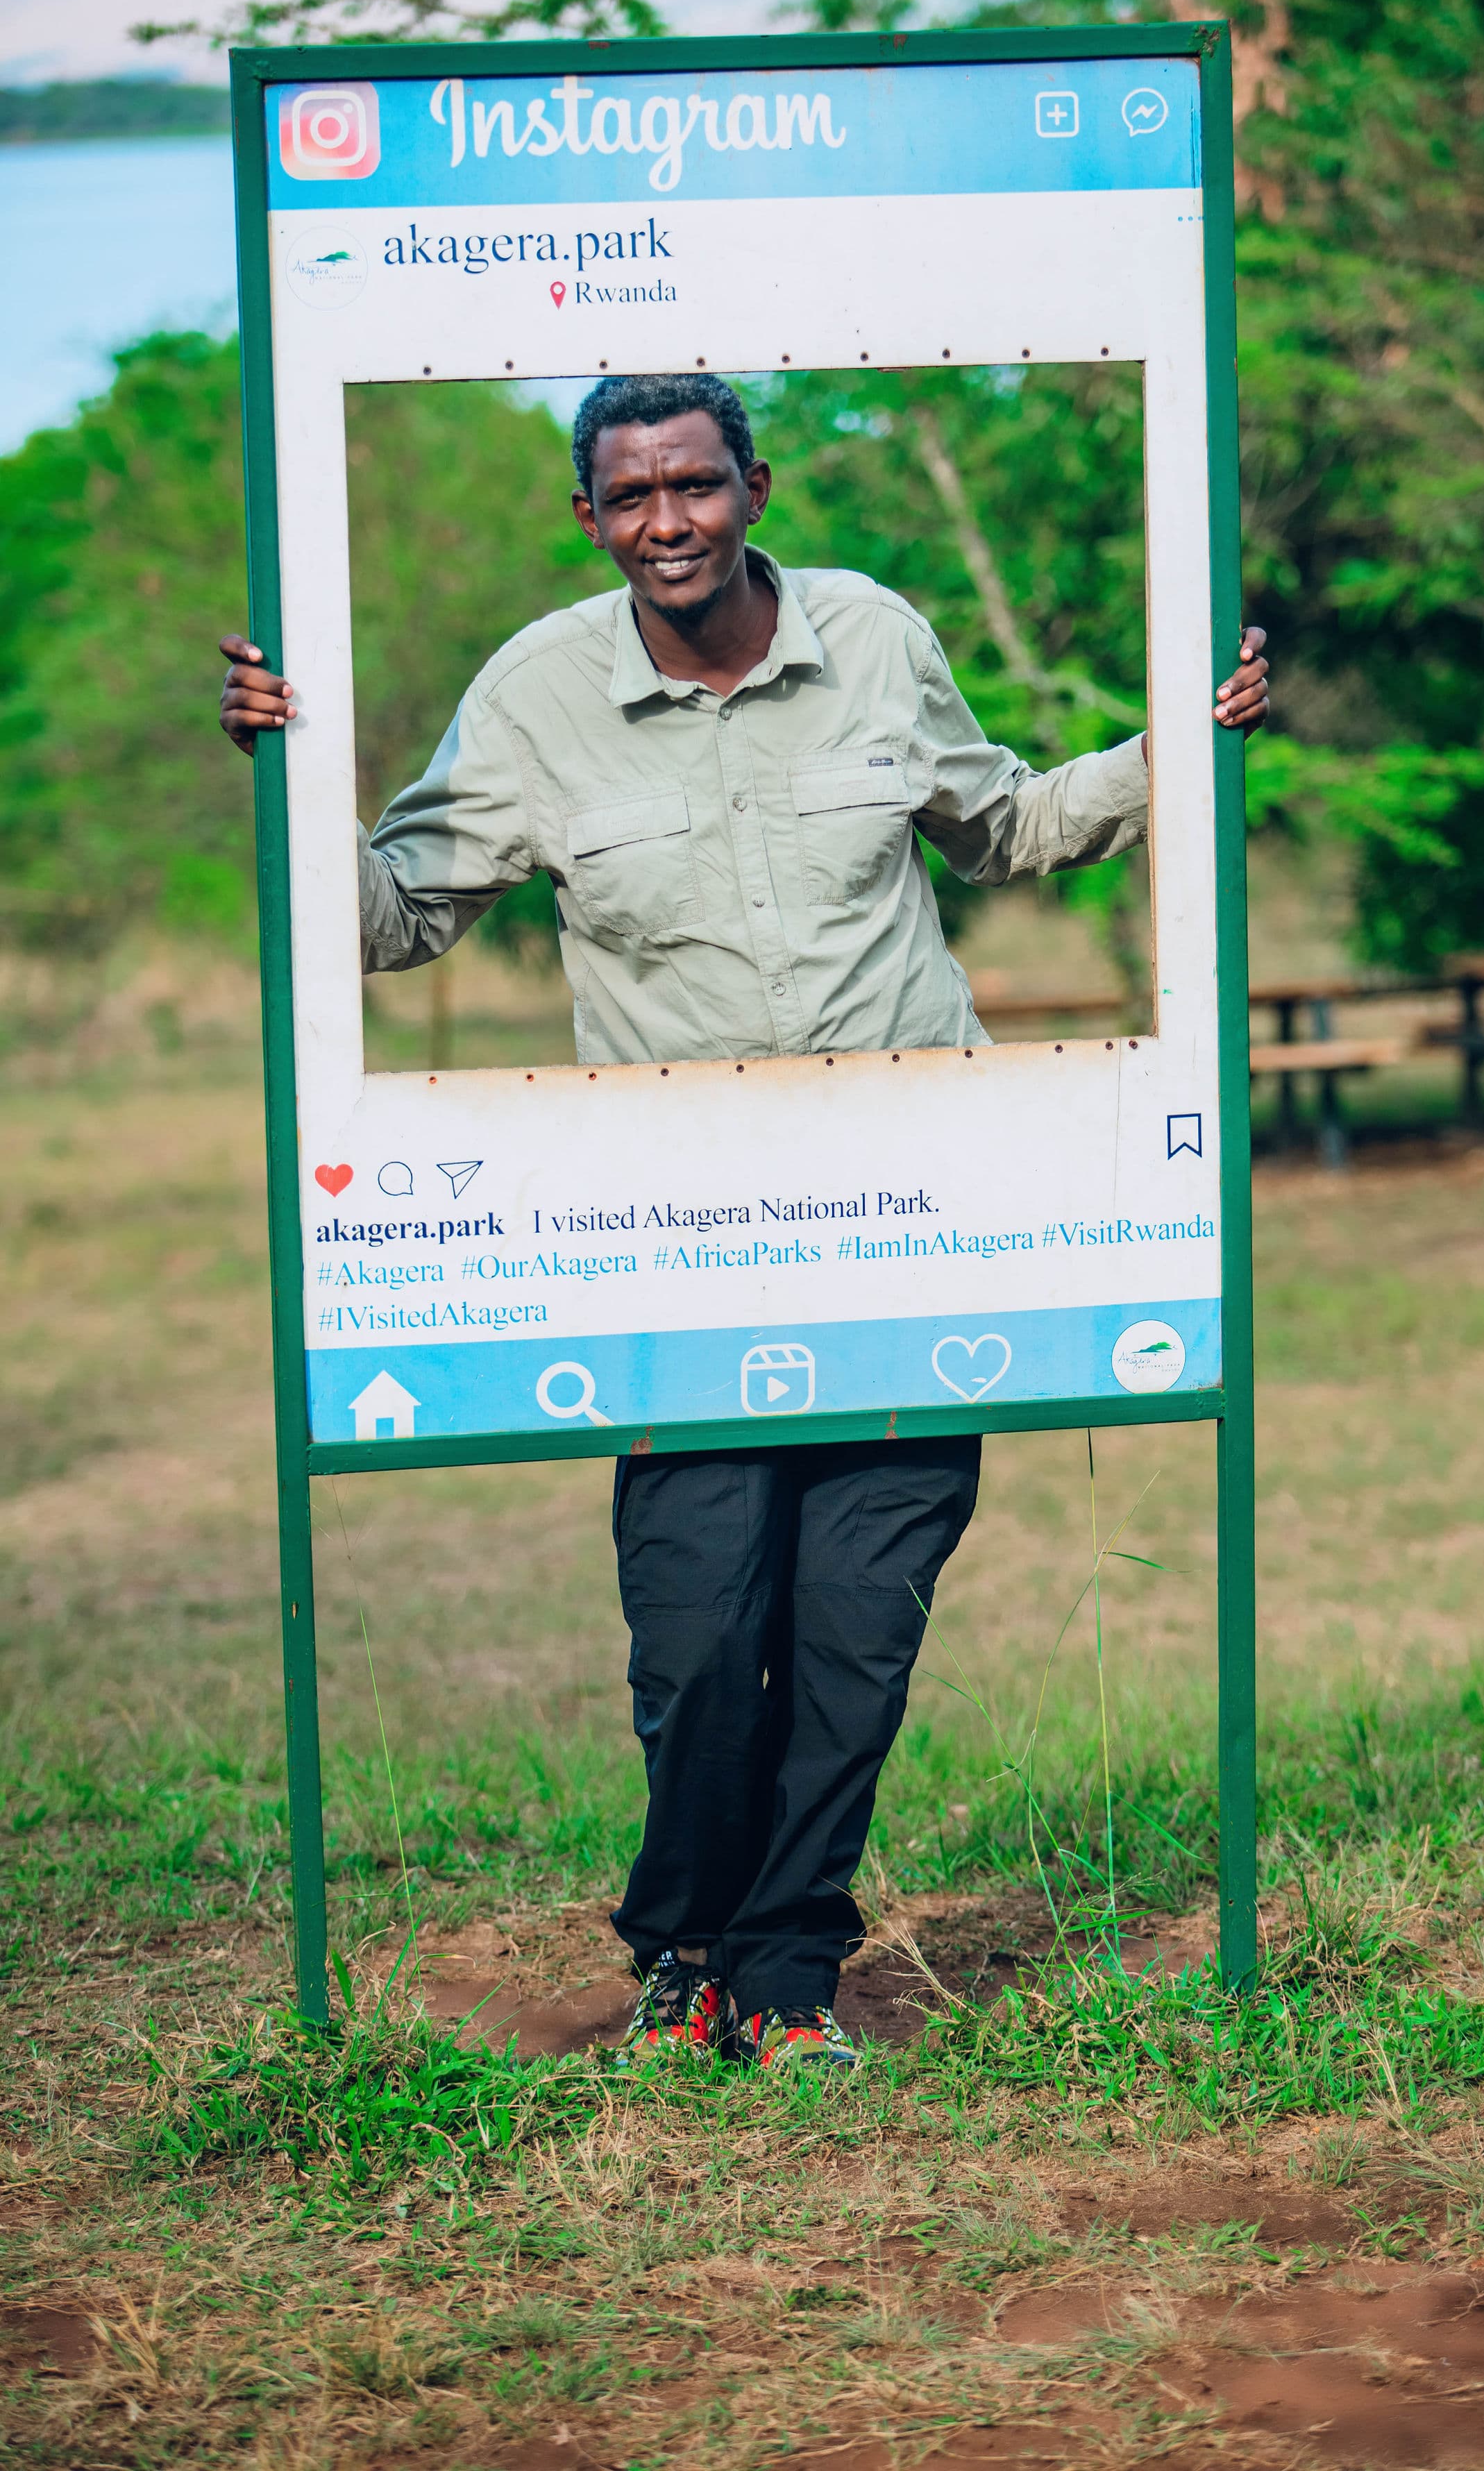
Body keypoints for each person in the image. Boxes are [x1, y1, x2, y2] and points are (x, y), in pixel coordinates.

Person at [220, 372, 1270, 2076]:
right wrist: (293, 774)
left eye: (695, 487)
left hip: (921, 1229)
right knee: (703, 1634)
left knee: (858, 1630)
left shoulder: (869, 634)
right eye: (630, 496)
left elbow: (999, 825)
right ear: (589, 517)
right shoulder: (538, 694)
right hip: (679, 1256)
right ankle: (682, 1946)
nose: (666, 523)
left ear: (752, 486)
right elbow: (400, 920)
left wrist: (1184, 747)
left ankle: (782, 1977)